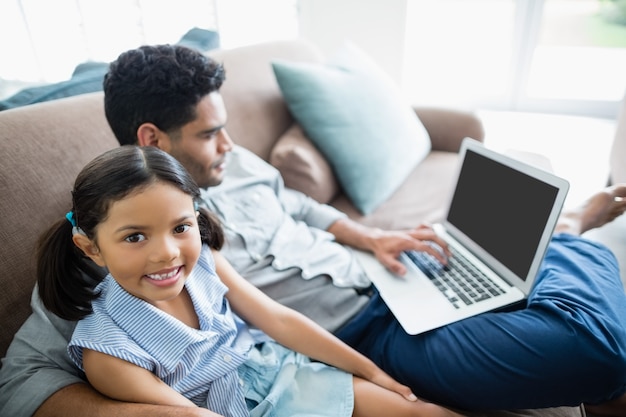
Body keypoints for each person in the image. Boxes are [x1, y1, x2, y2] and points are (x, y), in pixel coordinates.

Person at [1, 44, 625, 417]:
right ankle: (568, 240)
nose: (231, 143)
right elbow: (24, 378)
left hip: (389, 275)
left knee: (505, 258)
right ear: (151, 139)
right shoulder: (122, 242)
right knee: (593, 349)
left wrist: (367, 237)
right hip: (373, 332)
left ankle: (556, 241)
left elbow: (297, 207)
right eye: (210, 132)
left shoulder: (236, 163)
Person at [36, 144, 462, 417]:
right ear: (91, 248)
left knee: (423, 411)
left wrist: (373, 372)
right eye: (134, 237)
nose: (166, 252)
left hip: (279, 373)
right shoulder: (106, 354)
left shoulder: (206, 263)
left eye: (180, 228)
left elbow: (278, 320)